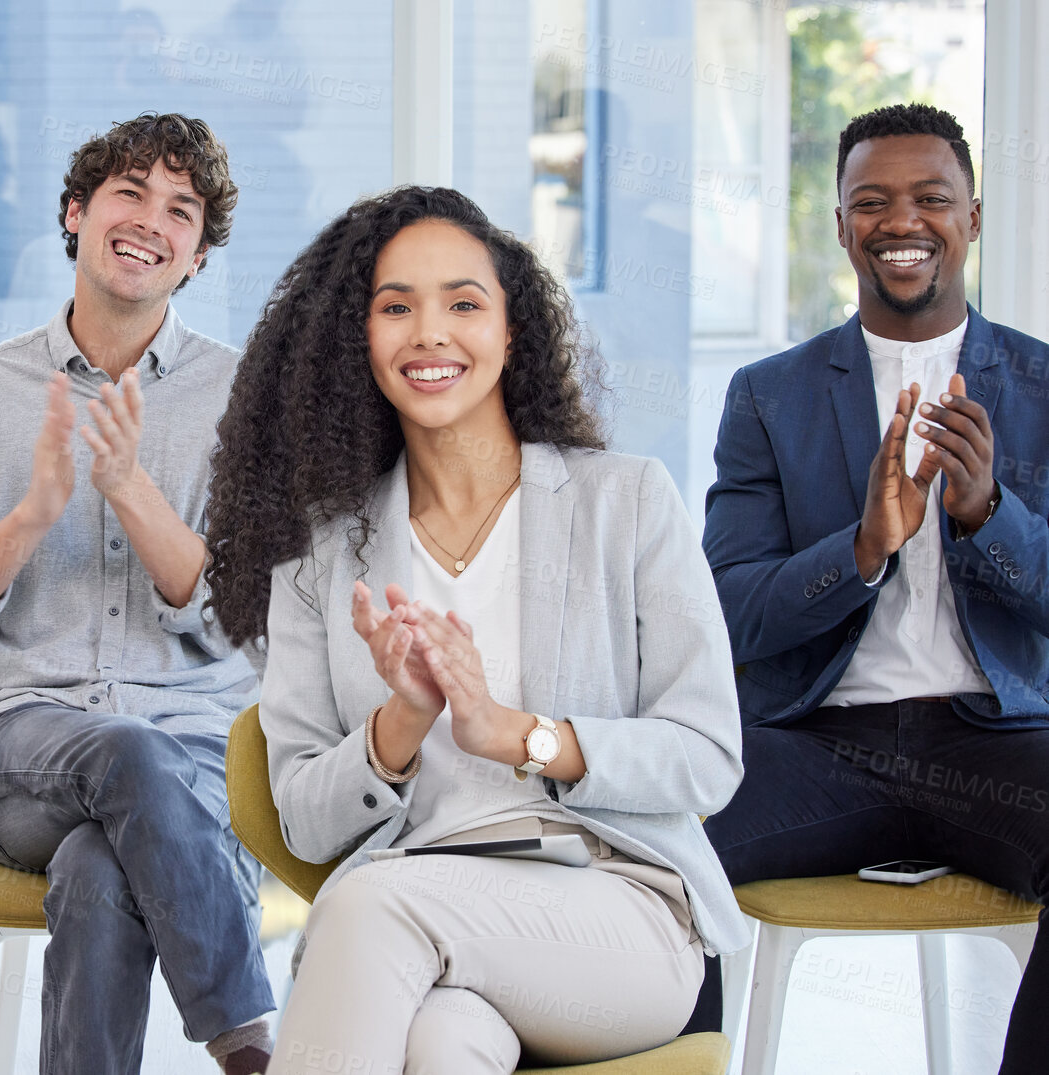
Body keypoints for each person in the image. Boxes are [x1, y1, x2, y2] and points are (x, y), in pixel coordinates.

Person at [204, 186, 748, 1073]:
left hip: (620, 910)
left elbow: (707, 756)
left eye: (463, 303)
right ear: (359, 343)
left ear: (512, 332)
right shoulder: (317, 555)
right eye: (395, 307)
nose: (429, 332)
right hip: (430, 946)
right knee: (441, 1043)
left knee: (369, 906)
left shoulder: (628, 501)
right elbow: (302, 820)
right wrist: (398, 724)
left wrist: (523, 735)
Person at [0, 112, 275, 1075]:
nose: (150, 219)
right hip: (24, 750)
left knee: (98, 865)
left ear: (197, 257)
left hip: (198, 759)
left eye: (181, 210)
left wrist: (129, 490)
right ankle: (250, 1044)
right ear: (75, 215)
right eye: (128, 192)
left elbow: (248, 617)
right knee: (120, 754)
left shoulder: (243, 398)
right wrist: (34, 513)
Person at [702, 103, 1049, 1072]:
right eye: (870, 201)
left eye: (929, 198)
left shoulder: (1039, 384)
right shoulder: (766, 395)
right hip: (817, 746)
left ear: (969, 218)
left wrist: (989, 515)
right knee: (649, 836)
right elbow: (732, 612)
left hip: (995, 739)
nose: (900, 222)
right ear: (841, 224)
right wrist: (857, 549)